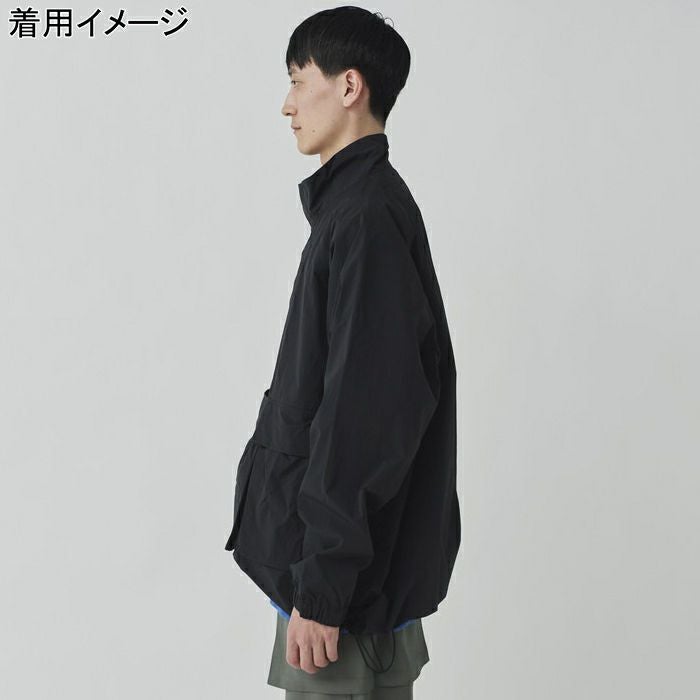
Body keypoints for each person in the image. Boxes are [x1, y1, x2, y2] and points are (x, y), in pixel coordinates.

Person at [224, 6, 460, 698]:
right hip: (338, 583)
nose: (287, 104)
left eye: (300, 81)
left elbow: (367, 414)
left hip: (342, 601)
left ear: (349, 86)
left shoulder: (365, 219)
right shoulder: (355, 208)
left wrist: (323, 585)